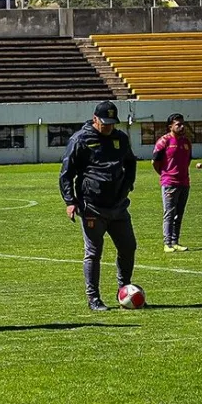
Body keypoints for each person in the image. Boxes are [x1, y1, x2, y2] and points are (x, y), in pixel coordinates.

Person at [59, 100, 138, 311]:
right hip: (92, 206)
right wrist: (70, 201)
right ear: (95, 119)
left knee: (128, 246)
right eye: (105, 123)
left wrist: (128, 184)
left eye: (112, 123)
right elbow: (67, 173)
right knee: (93, 252)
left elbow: (130, 162)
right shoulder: (80, 139)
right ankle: (93, 298)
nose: (109, 127)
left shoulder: (120, 139)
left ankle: (124, 290)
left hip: (119, 206)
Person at [152, 113, 192, 252]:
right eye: (178, 124)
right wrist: (166, 175)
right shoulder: (164, 141)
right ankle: (167, 243)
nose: (182, 127)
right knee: (169, 213)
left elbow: (188, 161)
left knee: (179, 213)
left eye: (183, 124)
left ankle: (175, 242)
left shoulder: (186, 142)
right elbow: (155, 162)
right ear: (170, 126)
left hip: (184, 182)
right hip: (169, 182)